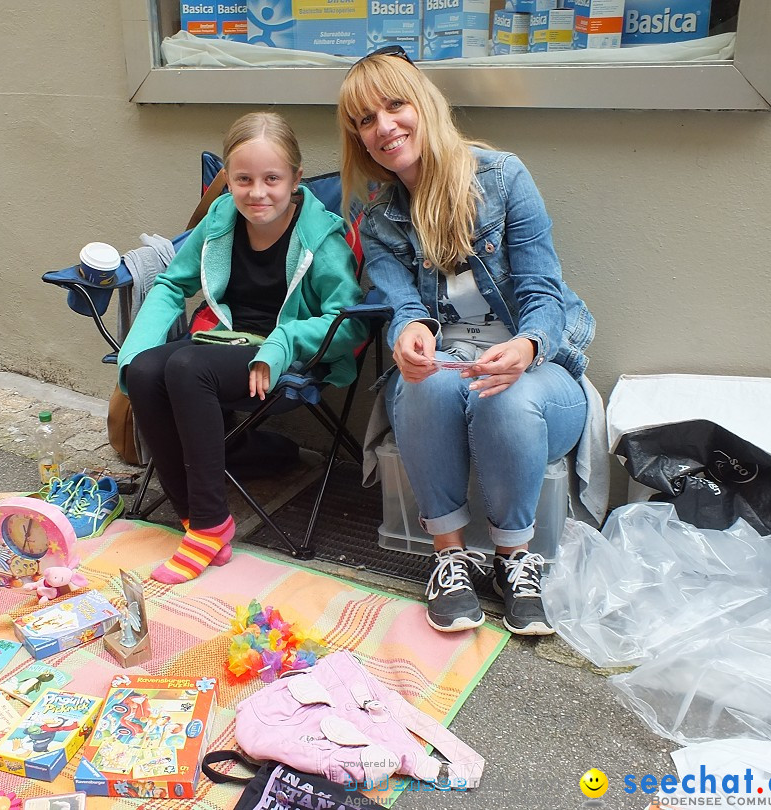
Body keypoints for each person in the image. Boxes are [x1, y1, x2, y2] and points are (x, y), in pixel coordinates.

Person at [337, 47, 595, 636]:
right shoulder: (378, 218)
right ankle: (450, 559)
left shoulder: (503, 178)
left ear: (424, 105)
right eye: (365, 120)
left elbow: (542, 294)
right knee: (422, 383)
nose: (384, 127)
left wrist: (527, 349)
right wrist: (409, 333)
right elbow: (405, 305)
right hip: (452, 367)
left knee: (502, 395)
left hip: (540, 367)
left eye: (394, 106)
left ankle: (513, 561)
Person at [118, 111, 366, 585]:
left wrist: (284, 341)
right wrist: (134, 351)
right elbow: (172, 283)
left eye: (272, 178)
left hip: (287, 358)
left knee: (188, 365)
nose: (258, 192)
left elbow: (348, 324)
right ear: (227, 181)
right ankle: (194, 514)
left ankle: (211, 523)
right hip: (223, 341)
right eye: (243, 179)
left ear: (295, 178)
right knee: (148, 371)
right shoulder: (221, 220)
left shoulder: (322, 235)